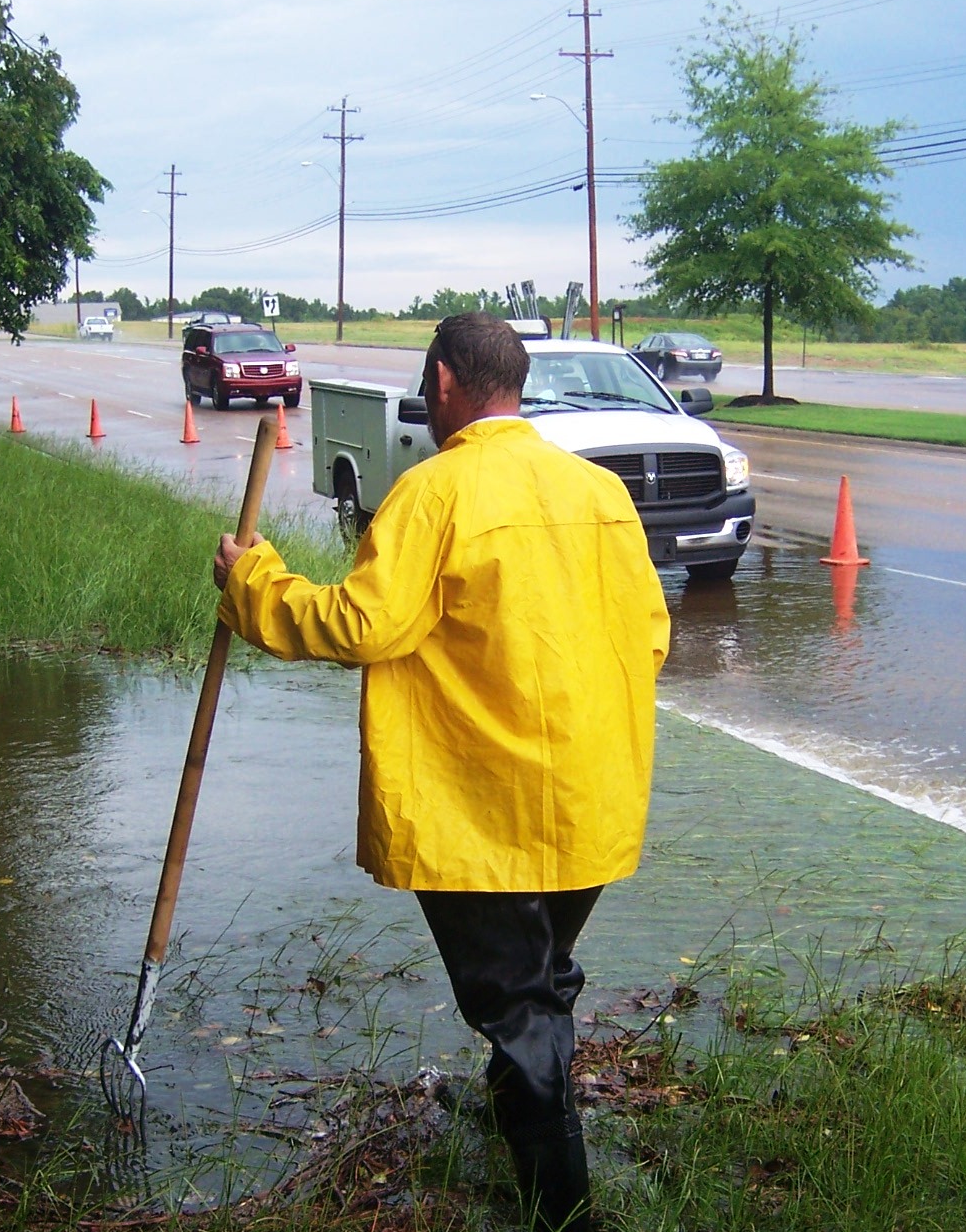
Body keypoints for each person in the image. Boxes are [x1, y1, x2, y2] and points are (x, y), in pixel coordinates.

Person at [214, 312, 671, 1230]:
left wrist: (253, 580)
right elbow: (651, 633)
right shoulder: (599, 493)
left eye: (429, 382)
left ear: (446, 382)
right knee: (539, 979)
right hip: (585, 806)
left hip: (483, 817)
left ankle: (562, 1212)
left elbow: (359, 625)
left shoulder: (434, 492)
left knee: (519, 1007)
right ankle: (517, 1111)